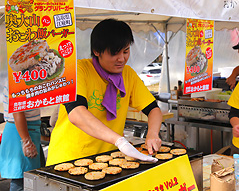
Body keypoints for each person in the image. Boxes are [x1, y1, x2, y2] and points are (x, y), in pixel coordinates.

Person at [46, 19, 163, 166]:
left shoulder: (128, 75)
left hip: (109, 159)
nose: (122, 58)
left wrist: (152, 134)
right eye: (114, 53)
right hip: (69, 159)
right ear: (97, 51)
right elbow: (76, 113)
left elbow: (153, 110)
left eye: (126, 51)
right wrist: (120, 141)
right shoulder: (78, 70)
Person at [0, 79, 41, 191]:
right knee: (21, 180)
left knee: (28, 178)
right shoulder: (18, 79)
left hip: (26, 131)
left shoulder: (28, 77)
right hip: (20, 132)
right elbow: (18, 111)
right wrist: (26, 141)